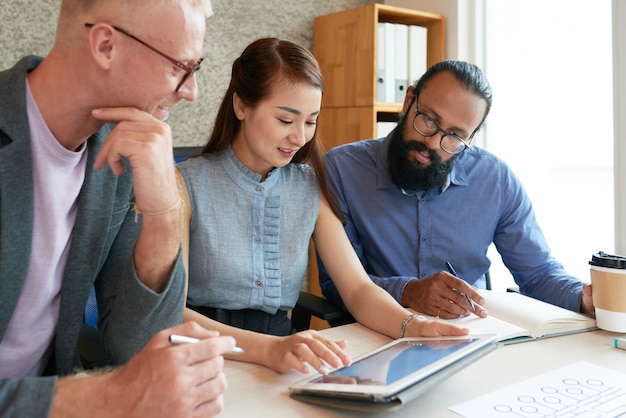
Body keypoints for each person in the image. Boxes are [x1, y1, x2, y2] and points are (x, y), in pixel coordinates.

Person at [176, 38, 469, 375]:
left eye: (311, 121)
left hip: (280, 359)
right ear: (241, 106)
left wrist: (413, 326)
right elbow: (169, 312)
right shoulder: (185, 182)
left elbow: (357, 289)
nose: (300, 137)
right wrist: (271, 350)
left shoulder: (307, 183)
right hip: (203, 355)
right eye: (286, 120)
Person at [0, 1, 234, 416]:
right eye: (182, 65)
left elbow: (136, 343)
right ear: (106, 45)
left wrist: (163, 212)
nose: (191, 92)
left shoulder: (123, 153)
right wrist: (104, 396)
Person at [317, 59, 595, 321]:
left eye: (455, 135)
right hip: (378, 329)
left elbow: (538, 274)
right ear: (408, 100)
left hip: (469, 335)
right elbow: (337, 284)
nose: (435, 143)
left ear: (470, 137)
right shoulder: (341, 170)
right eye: (428, 120)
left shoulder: (495, 179)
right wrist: (410, 292)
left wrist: (584, 299)